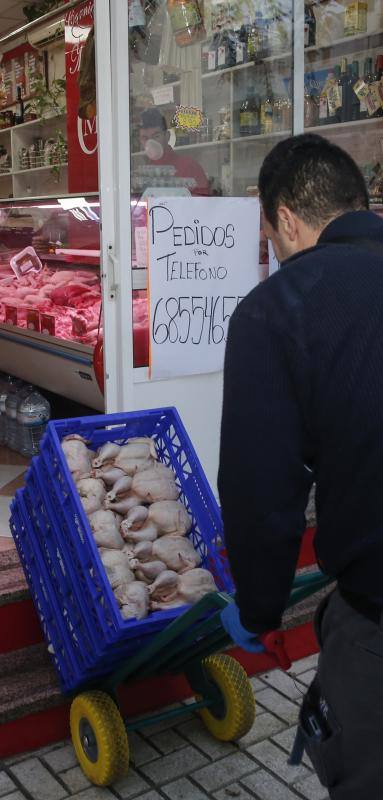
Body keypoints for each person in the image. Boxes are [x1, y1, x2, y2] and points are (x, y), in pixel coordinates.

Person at [217, 133, 383, 798]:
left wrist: (257, 608)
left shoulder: (278, 308)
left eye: (272, 237)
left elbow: (262, 489)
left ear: (286, 220)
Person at [138, 108, 209, 196]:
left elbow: (203, 204)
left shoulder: (189, 166)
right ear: (140, 141)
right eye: (145, 138)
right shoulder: (143, 172)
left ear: (167, 136)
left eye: (156, 136)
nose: (151, 142)